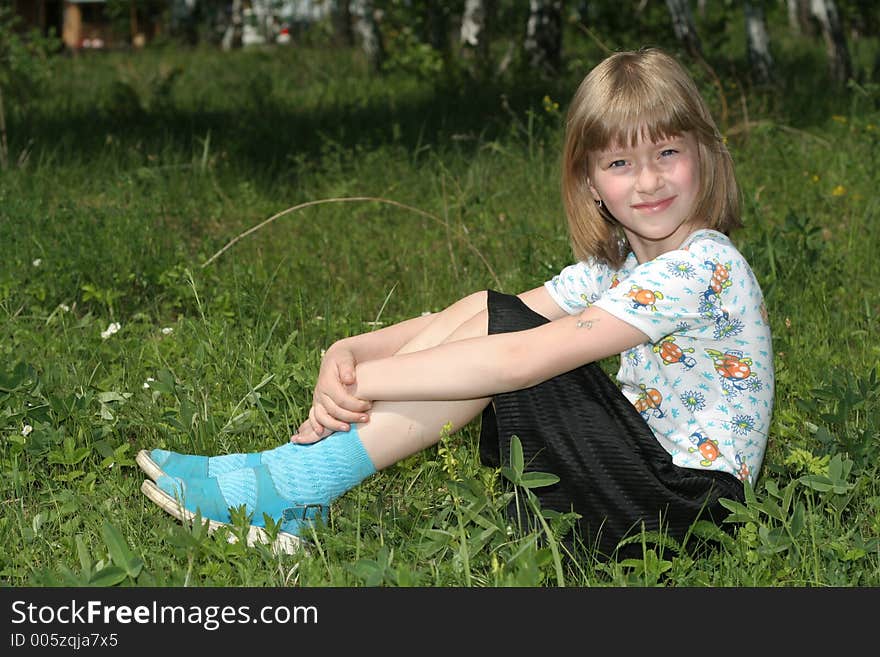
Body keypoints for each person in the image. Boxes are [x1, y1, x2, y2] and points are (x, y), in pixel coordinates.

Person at [137, 47, 774, 561]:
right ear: (591, 183)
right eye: (620, 161)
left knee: (505, 339)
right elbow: (481, 309)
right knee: (493, 308)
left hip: (688, 515)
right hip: (643, 491)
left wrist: (364, 386)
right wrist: (350, 351)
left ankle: (291, 482)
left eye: (668, 152)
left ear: (705, 155)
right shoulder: (619, 270)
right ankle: (296, 480)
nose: (649, 179)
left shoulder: (704, 265)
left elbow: (520, 358)